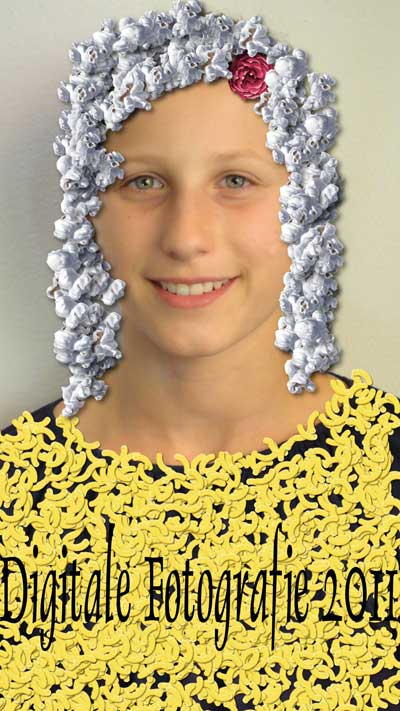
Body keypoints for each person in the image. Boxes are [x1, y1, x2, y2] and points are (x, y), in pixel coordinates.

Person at [1, 2, 399, 710]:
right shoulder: (13, 497)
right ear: (88, 213)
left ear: (304, 205)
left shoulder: (385, 470)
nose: (187, 238)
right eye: (143, 182)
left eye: (236, 181)